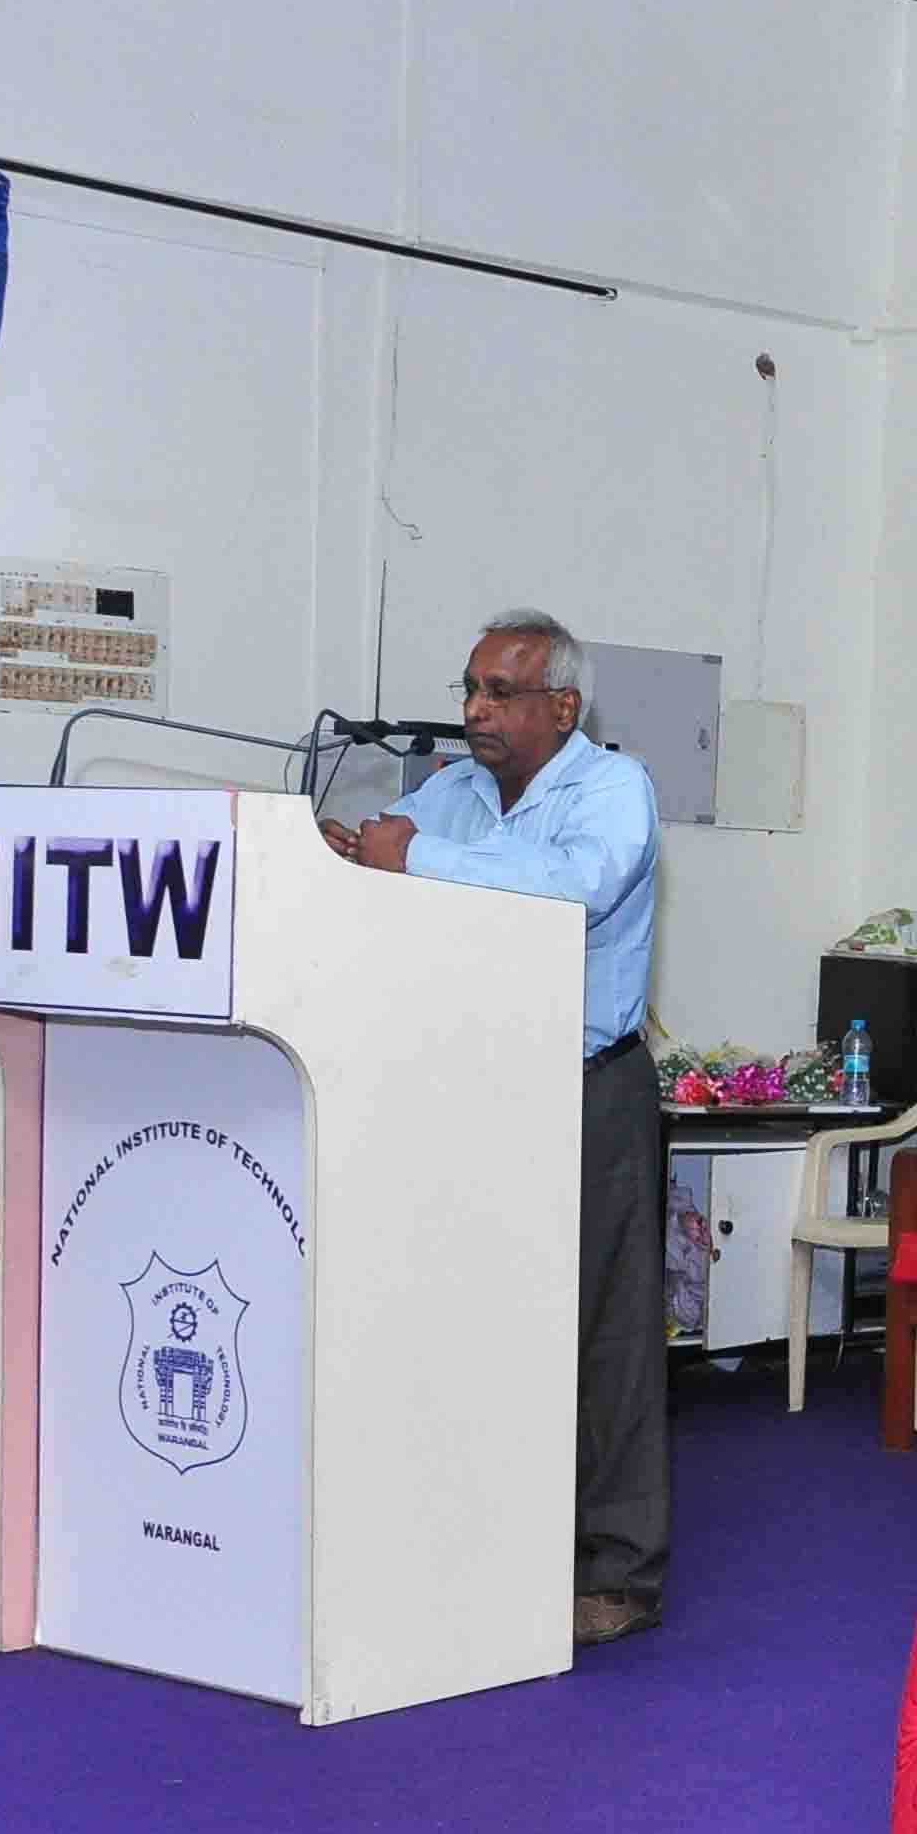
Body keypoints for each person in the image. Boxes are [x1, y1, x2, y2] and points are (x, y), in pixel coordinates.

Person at [321, 609, 671, 1646]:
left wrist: (415, 859)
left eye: (499, 692)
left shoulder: (613, 789)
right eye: (470, 689)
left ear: (562, 707)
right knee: (469, 1320)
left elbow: (575, 887)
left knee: (604, 1336)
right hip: (461, 1088)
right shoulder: (451, 792)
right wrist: (345, 859)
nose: (474, 709)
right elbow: (390, 862)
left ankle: (617, 1573)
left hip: (584, 1087)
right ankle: (478, 1549)